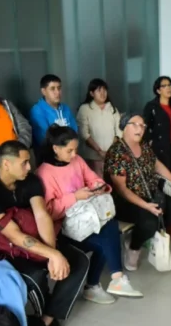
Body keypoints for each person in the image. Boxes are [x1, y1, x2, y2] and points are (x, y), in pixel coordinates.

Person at [0, 141, 89, 326]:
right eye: (24, 163)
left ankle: (44, 321)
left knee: (79, 261)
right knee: (35, 276)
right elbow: (15, 236)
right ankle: (38, 321)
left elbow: (41, 215)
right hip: (3, 250)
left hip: (33, 238)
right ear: (6, 164)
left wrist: (52, 252)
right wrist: (52, 255)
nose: (29, 167)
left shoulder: (31, 180)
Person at [36, 125, 142, 302]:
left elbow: (93, 178)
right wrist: (75, 197)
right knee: (108, 234)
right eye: (69, 150)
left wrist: (98, 187)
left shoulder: (76, 160)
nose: (73, 154)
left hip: (88, 219)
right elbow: (47, 212)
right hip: (64, 229)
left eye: (75, 149)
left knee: (109, 228)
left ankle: (108, 281)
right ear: (55, 148)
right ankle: (102, 283)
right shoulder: (44, 173)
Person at [105, 114, 171, 271]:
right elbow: (122, 190)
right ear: (124, 127)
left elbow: (156, 164)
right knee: (150, 221)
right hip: (125, 202)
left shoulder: (143, 146)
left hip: (150, 194)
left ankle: (140, 235)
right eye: (135, 125)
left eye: (143, 126)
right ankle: (133, 247)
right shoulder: (116, 153)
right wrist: (146, 206)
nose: (140, 129)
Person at [76, 78, 121, 177]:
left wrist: (110, 152)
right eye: (99, 90)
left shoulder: (112, 109)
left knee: (114, 183)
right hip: (93, 156)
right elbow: (84, 134)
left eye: (104, 90)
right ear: (92, 93)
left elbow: (119, 131)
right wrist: (99, 151)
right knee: (98, 184)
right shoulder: (85, 109)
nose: (103, 93)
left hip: (112, 156)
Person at [144, 76, 171, 175]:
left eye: (170, 85)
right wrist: (149, 142)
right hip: (160, 147)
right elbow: (145, 126)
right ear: (158, 90)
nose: (168, 88)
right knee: (162, 174)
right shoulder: (152, 106)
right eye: (164, 86)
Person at [29, 74, 77, 152]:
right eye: (52, 89)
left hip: (70, 152)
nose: (57, 92)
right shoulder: (37, 110)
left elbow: (74, 131)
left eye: (59, 88)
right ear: (43, 91)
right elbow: (44, 139)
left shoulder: (66, 108)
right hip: (49, 156)